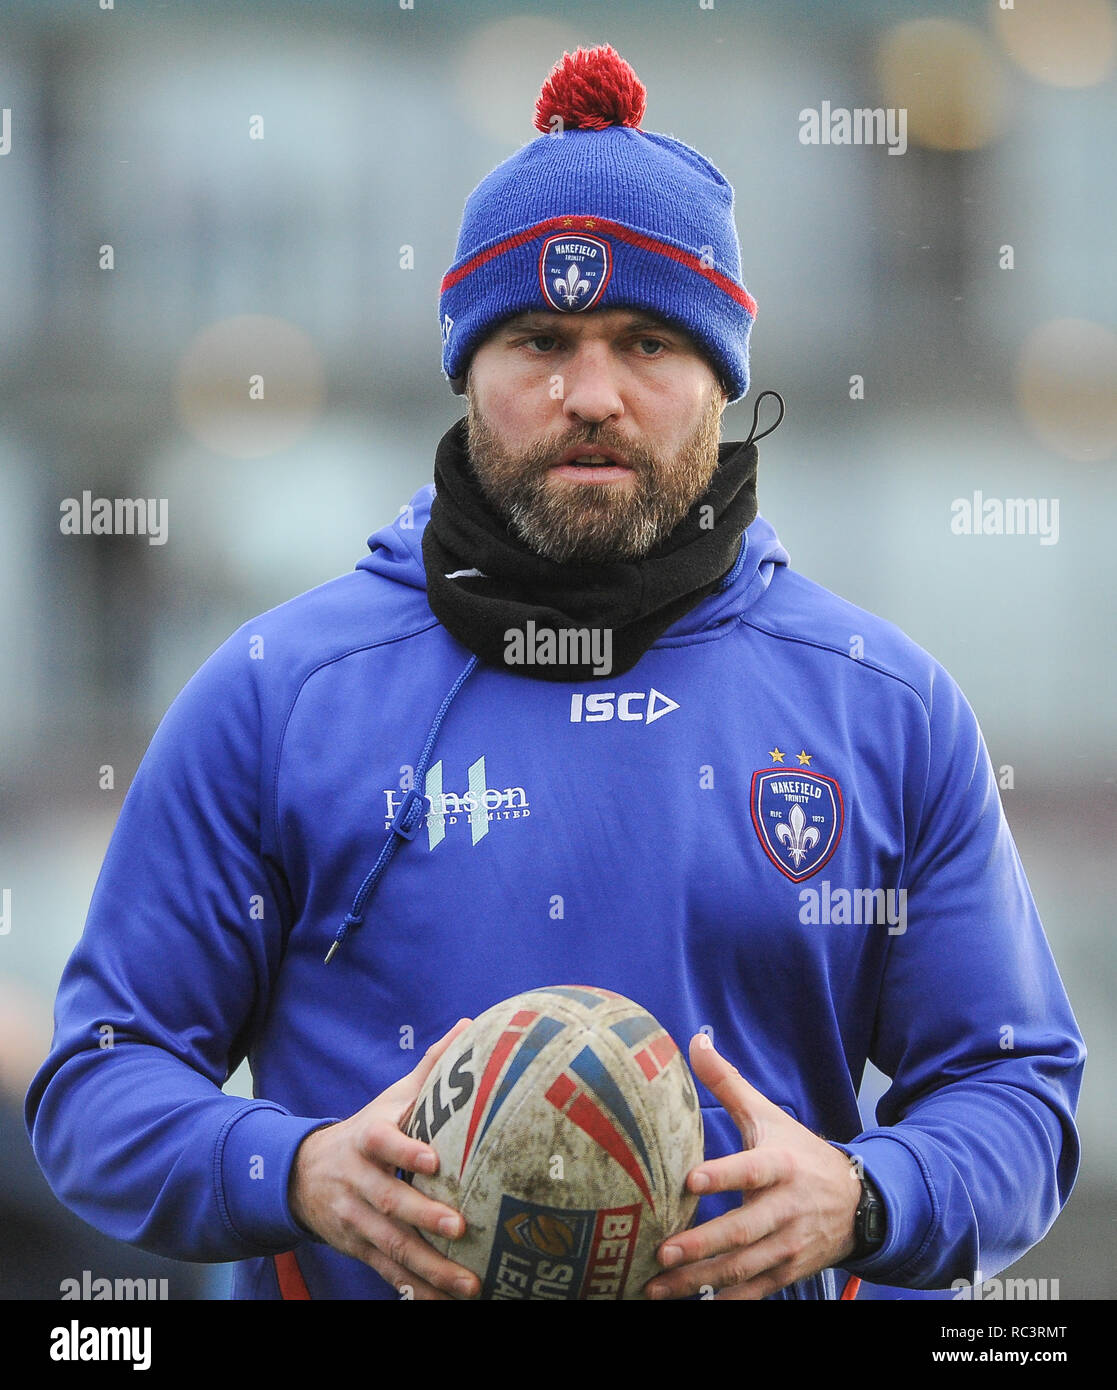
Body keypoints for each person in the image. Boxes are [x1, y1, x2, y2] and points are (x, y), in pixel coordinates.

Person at [26, 45, 1084, 1302]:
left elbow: (1014, 1089)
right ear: (466, 368)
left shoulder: (882, 707)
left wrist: (868, 1197)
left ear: (722, 380)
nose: (591, 393)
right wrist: (295, 1170)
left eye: (646, 341)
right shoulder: (278, 695)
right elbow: (98, 1079)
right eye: (538, 338)